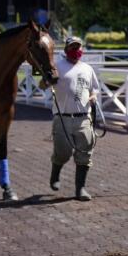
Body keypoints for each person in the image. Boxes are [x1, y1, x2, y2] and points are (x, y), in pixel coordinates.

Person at [50, 35, 99, 201]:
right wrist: (46, 78)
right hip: (62, 117)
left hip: (83, 118)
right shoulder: (57, 65)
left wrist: (93, 96)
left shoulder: (87, 68)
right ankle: (55, 173)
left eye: (78, 47)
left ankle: (80, 189)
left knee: (85, 153)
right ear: (66, 50)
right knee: (62, 153)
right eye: (72, 47)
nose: (76, 50)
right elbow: (42, 82)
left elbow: (95, 88)